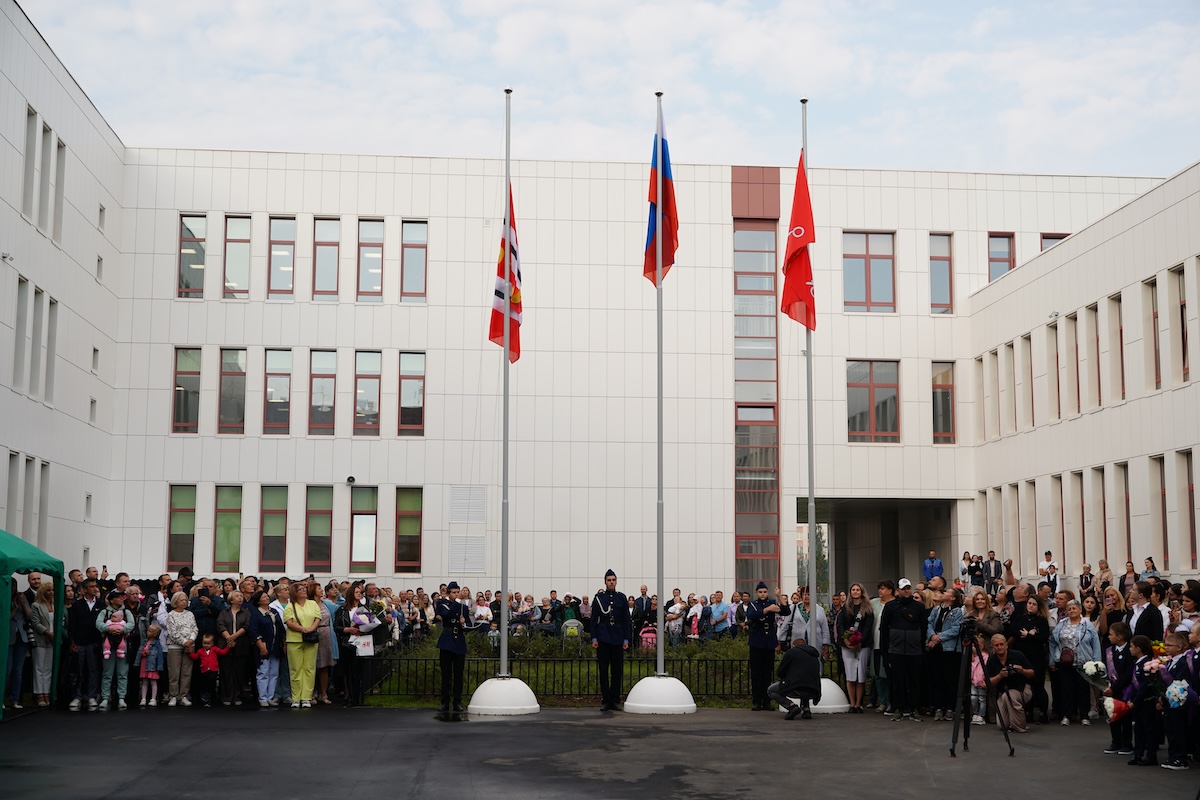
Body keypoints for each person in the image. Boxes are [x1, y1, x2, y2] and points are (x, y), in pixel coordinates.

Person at [880, 578, 927, 721]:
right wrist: (886, 652)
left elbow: (924, 628)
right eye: (904, 588)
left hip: (914, 650)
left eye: (908, 588)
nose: (907, 590)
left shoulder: (918, 607)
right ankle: (898, 708)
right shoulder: (890, 606)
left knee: (914, 681)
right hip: (896, 650)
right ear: (898, 590)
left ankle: (913, 708)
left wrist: (920, 646)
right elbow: (884, 630)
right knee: (897, 680)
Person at [1049, 599, 1100, 726]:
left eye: (1074, 608)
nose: (1071, 611)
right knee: (1066, 688)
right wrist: (1052, 660)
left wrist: (1096, 662)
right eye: (1069, 609)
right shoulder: (1061, 624)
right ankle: (1066, 715)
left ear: (1080, 610)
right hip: (1065, 662)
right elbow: (1053, 641)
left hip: (1083, 661)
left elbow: (1096, 643)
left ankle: (1084, 715)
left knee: (1083, 689)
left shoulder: (1087, 624)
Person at [591, 569, 632, 711]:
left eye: (613, 580)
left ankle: (615, 700)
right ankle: (606, 700)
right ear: (605, 582)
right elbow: (593, 620)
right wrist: (594, 637)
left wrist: (626, 639)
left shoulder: (621, 598)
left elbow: (626, 620)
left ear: (616, 581)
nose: (611, 582)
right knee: (603, 671)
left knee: (616, 671)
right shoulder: (599, 598)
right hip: (603, 638)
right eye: (609, 580)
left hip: (618, 638)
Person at [926, 587, 964, 721]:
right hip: (936, 649)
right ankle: (938, 707)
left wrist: (938, 637)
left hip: (950, 650)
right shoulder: (936, 610)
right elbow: (929, 623)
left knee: (950, 680)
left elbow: (956, 629)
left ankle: (950, 708)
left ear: (953, 598)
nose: (944, 594)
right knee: (937, 679)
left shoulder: (958, 611)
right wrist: (931, 636)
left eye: (947, 592)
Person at [66, 578, 103, 711]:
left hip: (94, 642)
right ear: (85, 589)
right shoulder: (77, 605)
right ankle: (77, 696)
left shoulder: (101, 604)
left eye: (96, 586)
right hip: (80, 642)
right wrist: (72, 642)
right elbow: (72, 625)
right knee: (78, 670)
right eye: (92, 586)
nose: (95, 588)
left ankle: (91, 695)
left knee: (93, 669)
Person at [836, 582, 873, 712]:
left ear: (861, 592)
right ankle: (852, 704)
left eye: (858, 590)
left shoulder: (867, 609)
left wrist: (859, 641)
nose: (855, 592)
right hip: (847, 646)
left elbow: (868, 627)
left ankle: (859, 704)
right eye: (853, 590)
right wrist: (845, 640)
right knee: (850, 676)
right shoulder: (845, 609)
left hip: (862, 646)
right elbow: (840, 625)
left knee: (860, 676)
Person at [986, 633, 1035, 732]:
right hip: (1002, 692)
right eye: (996, 645)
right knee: (1002, 725)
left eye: (1002, 644)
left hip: (1022, 689)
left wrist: (1022, 671)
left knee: (1008, 696)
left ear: (1006, 645)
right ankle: (1011, 722)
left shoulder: (1017, 655)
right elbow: (988, 682)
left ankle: (1019, 726)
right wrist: (1000, 676)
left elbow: (1032, 673)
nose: (1000, 647)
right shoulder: (991, 660)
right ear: (993, 647)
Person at [283, 582, 320, 709]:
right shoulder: (290, 606)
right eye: (301, 589)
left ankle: (306, 697)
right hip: (294, 640)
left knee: (309, 669)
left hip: (310, 639)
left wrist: (311, 629)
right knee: (295, 669)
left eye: (304, 589)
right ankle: (296, 697)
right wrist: (303, 629)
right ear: (295, 592)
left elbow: (317, 618)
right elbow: (288, 622)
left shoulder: (312, 604)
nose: (304, 590)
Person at [769, 635, 823, 720]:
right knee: (804, 681)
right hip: (814, 690)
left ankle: (791, 706)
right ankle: (806, 710)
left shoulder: (792, 652)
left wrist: (786, 677)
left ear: (793, 645)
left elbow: (780, 672)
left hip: (796, 688)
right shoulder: (814, 655)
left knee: (771, 690)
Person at [744, 581, 779, 711]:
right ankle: (756, 701)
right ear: (756, 593)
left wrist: (779, 596)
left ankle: (767, 701)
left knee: (767, 673)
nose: (763, 594)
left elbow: (785, 611)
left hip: (769, 642)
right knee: (756, 673)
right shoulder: (753, 604)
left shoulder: (773, 602)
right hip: (756, 641)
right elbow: (752, 615)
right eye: (760, 592)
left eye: (765, 592)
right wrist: (768, 609)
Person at [435, 581, 469, 713]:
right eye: (454, 593)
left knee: (458, 675)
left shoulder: (463, 607)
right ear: (449, 593)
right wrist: (458, 601)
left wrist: (464, 623)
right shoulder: (443, 604)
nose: (456, 594)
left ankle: (457, 701)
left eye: (457, 592)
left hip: (459, 642)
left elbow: (469, 625)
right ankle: (445, 701)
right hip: (447, 642)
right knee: (446, 674)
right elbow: (447, 615)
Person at [217, 590, 253, 705]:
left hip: (241, 644)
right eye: (237, 596)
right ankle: (227, 696)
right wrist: (228, 638)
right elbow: (220, 624)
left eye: (241, 596)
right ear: (231, 600)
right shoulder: (224, 612)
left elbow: (247, 626)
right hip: (225, 644)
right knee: (226, 671)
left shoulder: (246, 612)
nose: (240, 598)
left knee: (239, 671)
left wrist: (235, 636)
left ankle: (237, 696)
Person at [250, 589, 285, 707]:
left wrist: (283, 643)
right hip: (263, 646)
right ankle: (262, 697)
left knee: (274, 672)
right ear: (258, 601)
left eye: (267, 596)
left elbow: (280, 628)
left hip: (275, 646)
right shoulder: (256, 614)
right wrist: (261, 646)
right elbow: (253, 631)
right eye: (264, 597)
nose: (267, 598)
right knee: (263, 672)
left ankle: (271, 696)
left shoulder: (273, 612)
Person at [1128, 635, 1160, 766]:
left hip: (1146, 702)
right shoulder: (1137, 663)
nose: (1130, 649)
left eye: (1131, 646)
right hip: (1137, 701)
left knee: (1149, 729)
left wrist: (1136, 701)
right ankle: (1138, 753)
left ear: (1138, 648)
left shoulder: (1148, 663)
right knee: (1139, 728)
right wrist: (1131, 699)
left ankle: (1151, 756)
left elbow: (1144, 686)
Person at [164, 591, 197, 706]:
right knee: (174, 672)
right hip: (175, 646)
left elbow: (194, 628)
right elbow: (172, 632)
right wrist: (184, 642)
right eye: (181, 600)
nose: (184, 602)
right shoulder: (171, 614)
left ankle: (183, 695)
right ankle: (173, 695)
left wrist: (191, 640)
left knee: (186, 672)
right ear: (175, 601)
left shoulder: (190, 614)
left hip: (189, 646)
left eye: (185, 599)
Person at [28, 581, 56, 707]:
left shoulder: (56, 605)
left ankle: (47, 692)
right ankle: (39, 694)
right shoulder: (36, 605)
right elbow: (35, 622)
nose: (51, 593)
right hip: (41, 639)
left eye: (52, 590)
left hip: (53, 640)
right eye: (48, 590)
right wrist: (47, 633)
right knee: (39, 668)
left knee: (48, 668)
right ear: (43, 592)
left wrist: (54, 634)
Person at [870, 580, 894, 713]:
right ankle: (882, 701)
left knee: (887, 674)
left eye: (883, 589)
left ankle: (891, 701)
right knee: (877, 674)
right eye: (879, 589)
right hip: (875, 643)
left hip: (889, 645)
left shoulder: (895, 604)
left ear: (890, 590)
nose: (880, 591)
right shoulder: (873, 603)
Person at [187, 632, 229, 707]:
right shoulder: (200, 651)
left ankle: (212, 699)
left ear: (212, 643)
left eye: (208, 643)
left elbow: (222, 652)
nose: (206, 645)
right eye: (204, 643)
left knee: (212, 684)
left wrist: (228, 647)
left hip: (213, 670)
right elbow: (195, 657)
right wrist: (190, 653)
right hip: (204, 671)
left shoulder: (215, 649)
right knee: (205, 685)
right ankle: (206, 699)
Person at [135, 623, 165, 707]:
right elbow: (139, 652)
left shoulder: (157, 643)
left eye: (150, 631)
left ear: (155, 634)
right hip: (144, 663)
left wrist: (159, 666)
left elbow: (159, 655)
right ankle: (143, 698)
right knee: (144, 681)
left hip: (153, 665)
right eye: (148, 630)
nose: (147, 632)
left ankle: (153, 698)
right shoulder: (144, 642)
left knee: (153, 682)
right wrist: (137, 661)